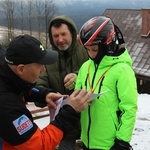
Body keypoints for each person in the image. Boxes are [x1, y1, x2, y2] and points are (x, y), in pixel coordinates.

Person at [0, 34, 92, 150]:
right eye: (40, 66)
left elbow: (17, 83)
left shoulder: (7, 63)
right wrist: (70, 111)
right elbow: (39, 145)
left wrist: (43, 94)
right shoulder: (6, 105)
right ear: (21, 69)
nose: (43, 70)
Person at [75, 16, 138, 150]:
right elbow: (77, 95)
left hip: (110, 144)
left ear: (107, 44)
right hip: (87, 140)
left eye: (95, 50)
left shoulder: (122, 70)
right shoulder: (85, 67)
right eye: (88, 50)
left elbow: (129, 108)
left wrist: (122, 141)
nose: (91, 54)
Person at [35, 14, 89, 150]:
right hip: (64, 125)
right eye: (55, 36)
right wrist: (49, 94)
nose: (60, 39)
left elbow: (101, 77)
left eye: (63, 34)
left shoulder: (87, 51)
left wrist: (79, 78)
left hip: (90, 122)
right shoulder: (48, 60)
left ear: (72, 32)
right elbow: (38, 87)